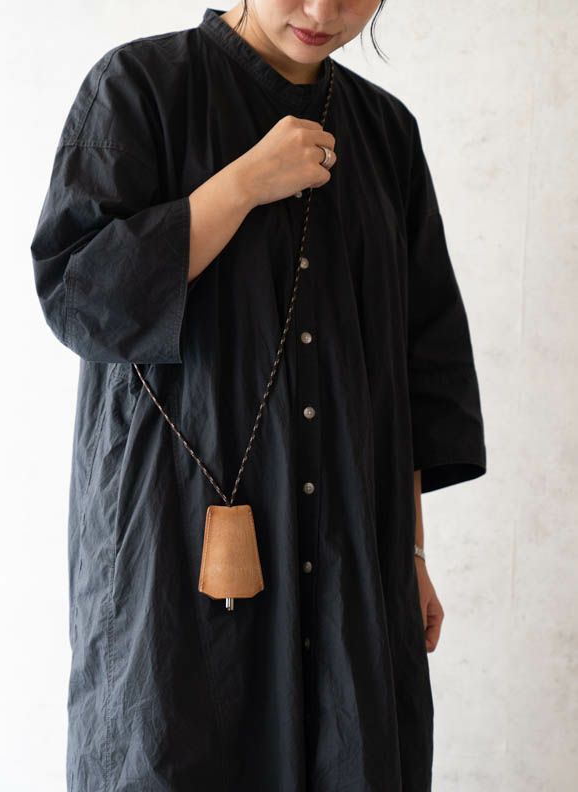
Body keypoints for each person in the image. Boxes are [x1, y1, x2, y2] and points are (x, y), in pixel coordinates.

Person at [30, 2, 487, 790]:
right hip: (172, 542)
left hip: (351, 551)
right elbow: (82, 296)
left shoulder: (386, 135)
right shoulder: (140, 88)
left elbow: (417, 371)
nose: (322, 11)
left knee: (349, 751)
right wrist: (240, 186)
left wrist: (411, 555)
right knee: (173, 748)